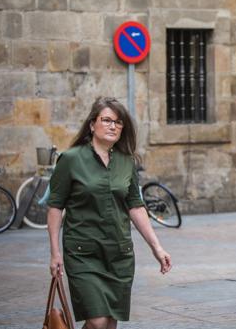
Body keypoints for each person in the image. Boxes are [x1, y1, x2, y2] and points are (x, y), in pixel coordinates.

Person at [47, 97, 172, 329]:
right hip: (83, 253)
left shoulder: (127, 162)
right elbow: (55, 206)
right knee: (97, 321)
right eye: (106, 120)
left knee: (110, 324)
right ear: (92, 125)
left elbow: (135, 206)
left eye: (118, 122)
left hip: (119, 255)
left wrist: (157, 247)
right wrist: (55, 253)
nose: (113, 126)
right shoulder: (71, 159)